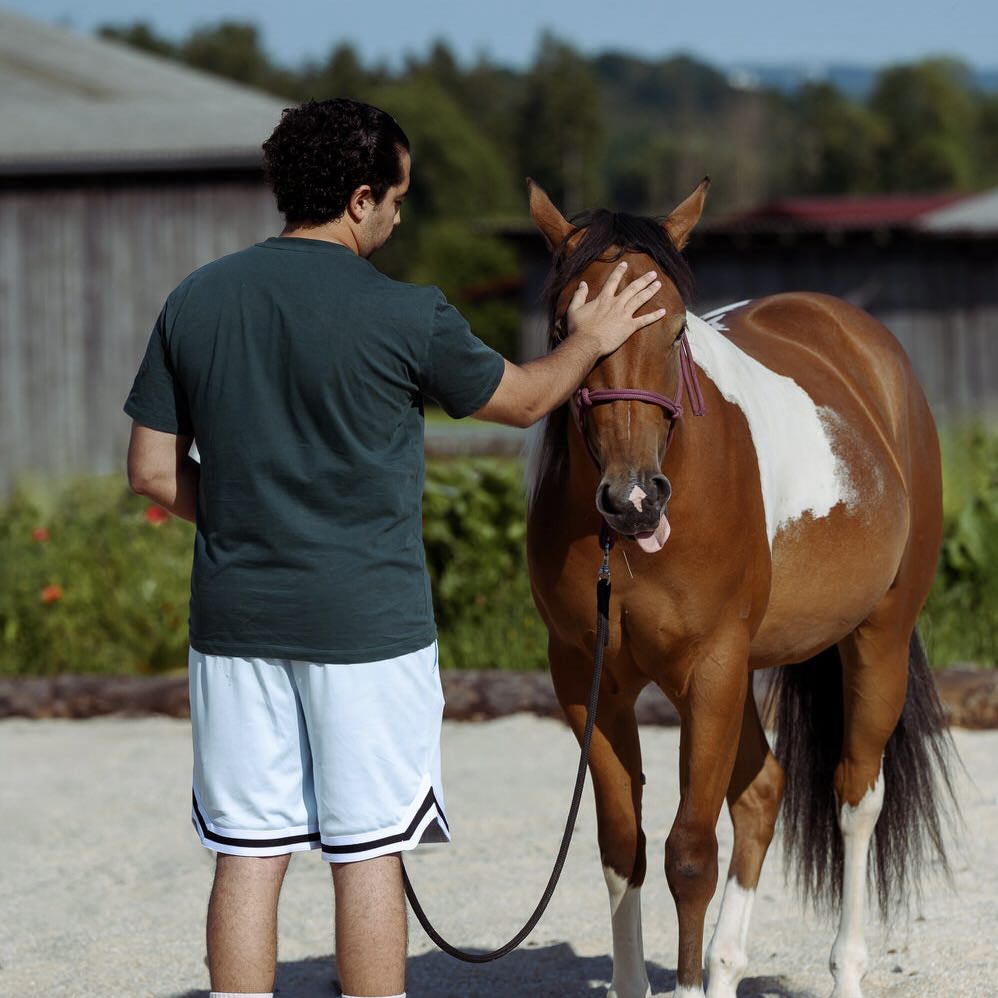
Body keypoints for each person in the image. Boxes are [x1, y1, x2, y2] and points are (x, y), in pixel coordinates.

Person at [124, 97, 664, 998]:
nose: (402, 217)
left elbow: (149, 471)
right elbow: (529, 399)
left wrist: (252, 517)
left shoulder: (195, 298)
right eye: (400, 198)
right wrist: (594, 338)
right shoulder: (408, 314)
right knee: (367, 852)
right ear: (361, 197)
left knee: (247, 854)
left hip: (234, 623)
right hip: (368, 628)